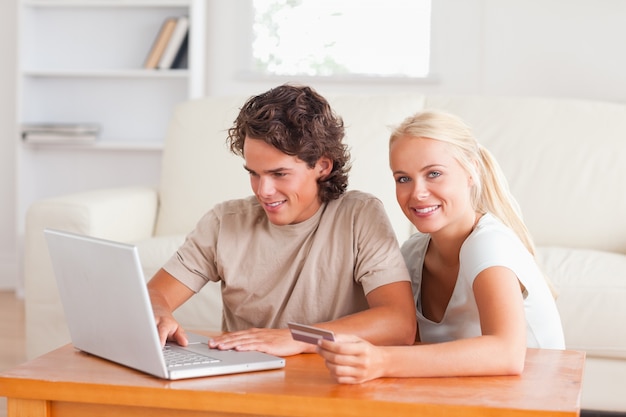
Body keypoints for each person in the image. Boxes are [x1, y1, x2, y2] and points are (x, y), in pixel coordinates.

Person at [147, 84, 417, 357]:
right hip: (243, 378)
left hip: (328, 377)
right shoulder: (224, 222)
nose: (263, 191)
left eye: (279, 174)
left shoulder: (360, 216)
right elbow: (154, 295)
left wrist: (300, 337)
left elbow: (399, 323)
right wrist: (159, 312)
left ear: (322, 166)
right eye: (254, 173)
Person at [317, 110, 565, 383]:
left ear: (471, 171)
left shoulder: (487, 244)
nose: (417, 193)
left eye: (433, 174)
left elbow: (507, 353)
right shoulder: (412, 255)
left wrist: (383, 361)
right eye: (403, 179)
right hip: (465, 396)